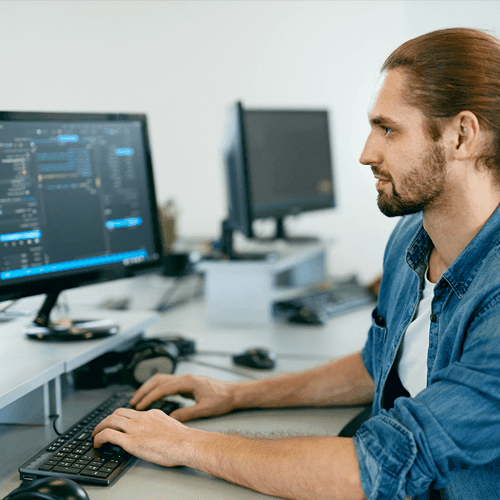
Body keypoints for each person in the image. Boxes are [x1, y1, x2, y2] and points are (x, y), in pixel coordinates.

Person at [92, 27, 500, 500]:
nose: (366, 153)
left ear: (461, 135)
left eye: (388, 129)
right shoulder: (411, 238)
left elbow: (371, 468)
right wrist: (236, 394)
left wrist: (185, 444)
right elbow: (376, 364)